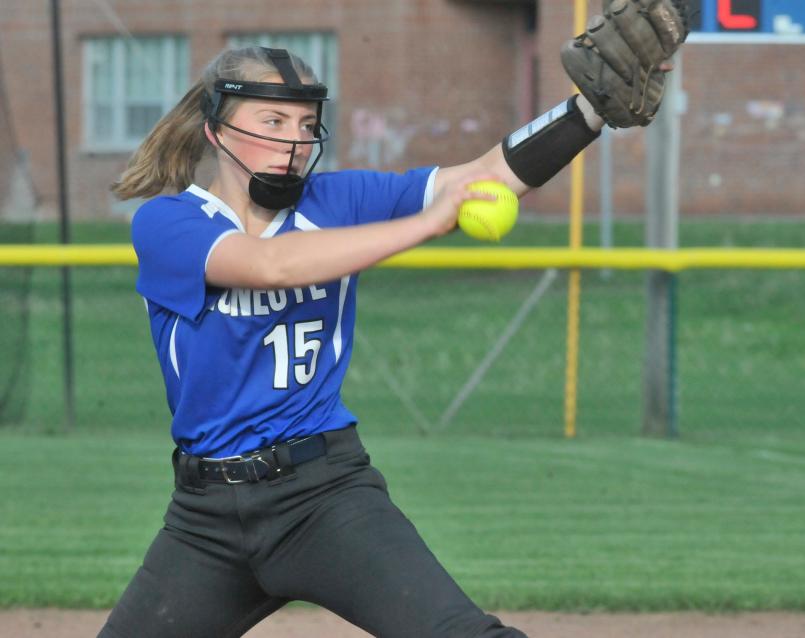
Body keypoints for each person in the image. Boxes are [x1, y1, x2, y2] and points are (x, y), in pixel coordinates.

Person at [100, 7, 684, 634]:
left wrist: (588, 112)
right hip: (205, 518)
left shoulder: (339, 200)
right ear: (215, 130)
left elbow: (486, 176)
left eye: (306, 123)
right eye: (271, 121)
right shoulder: (167, 224)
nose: (295, 142)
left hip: (322, 498)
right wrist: (427, 224)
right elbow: (268, 265)